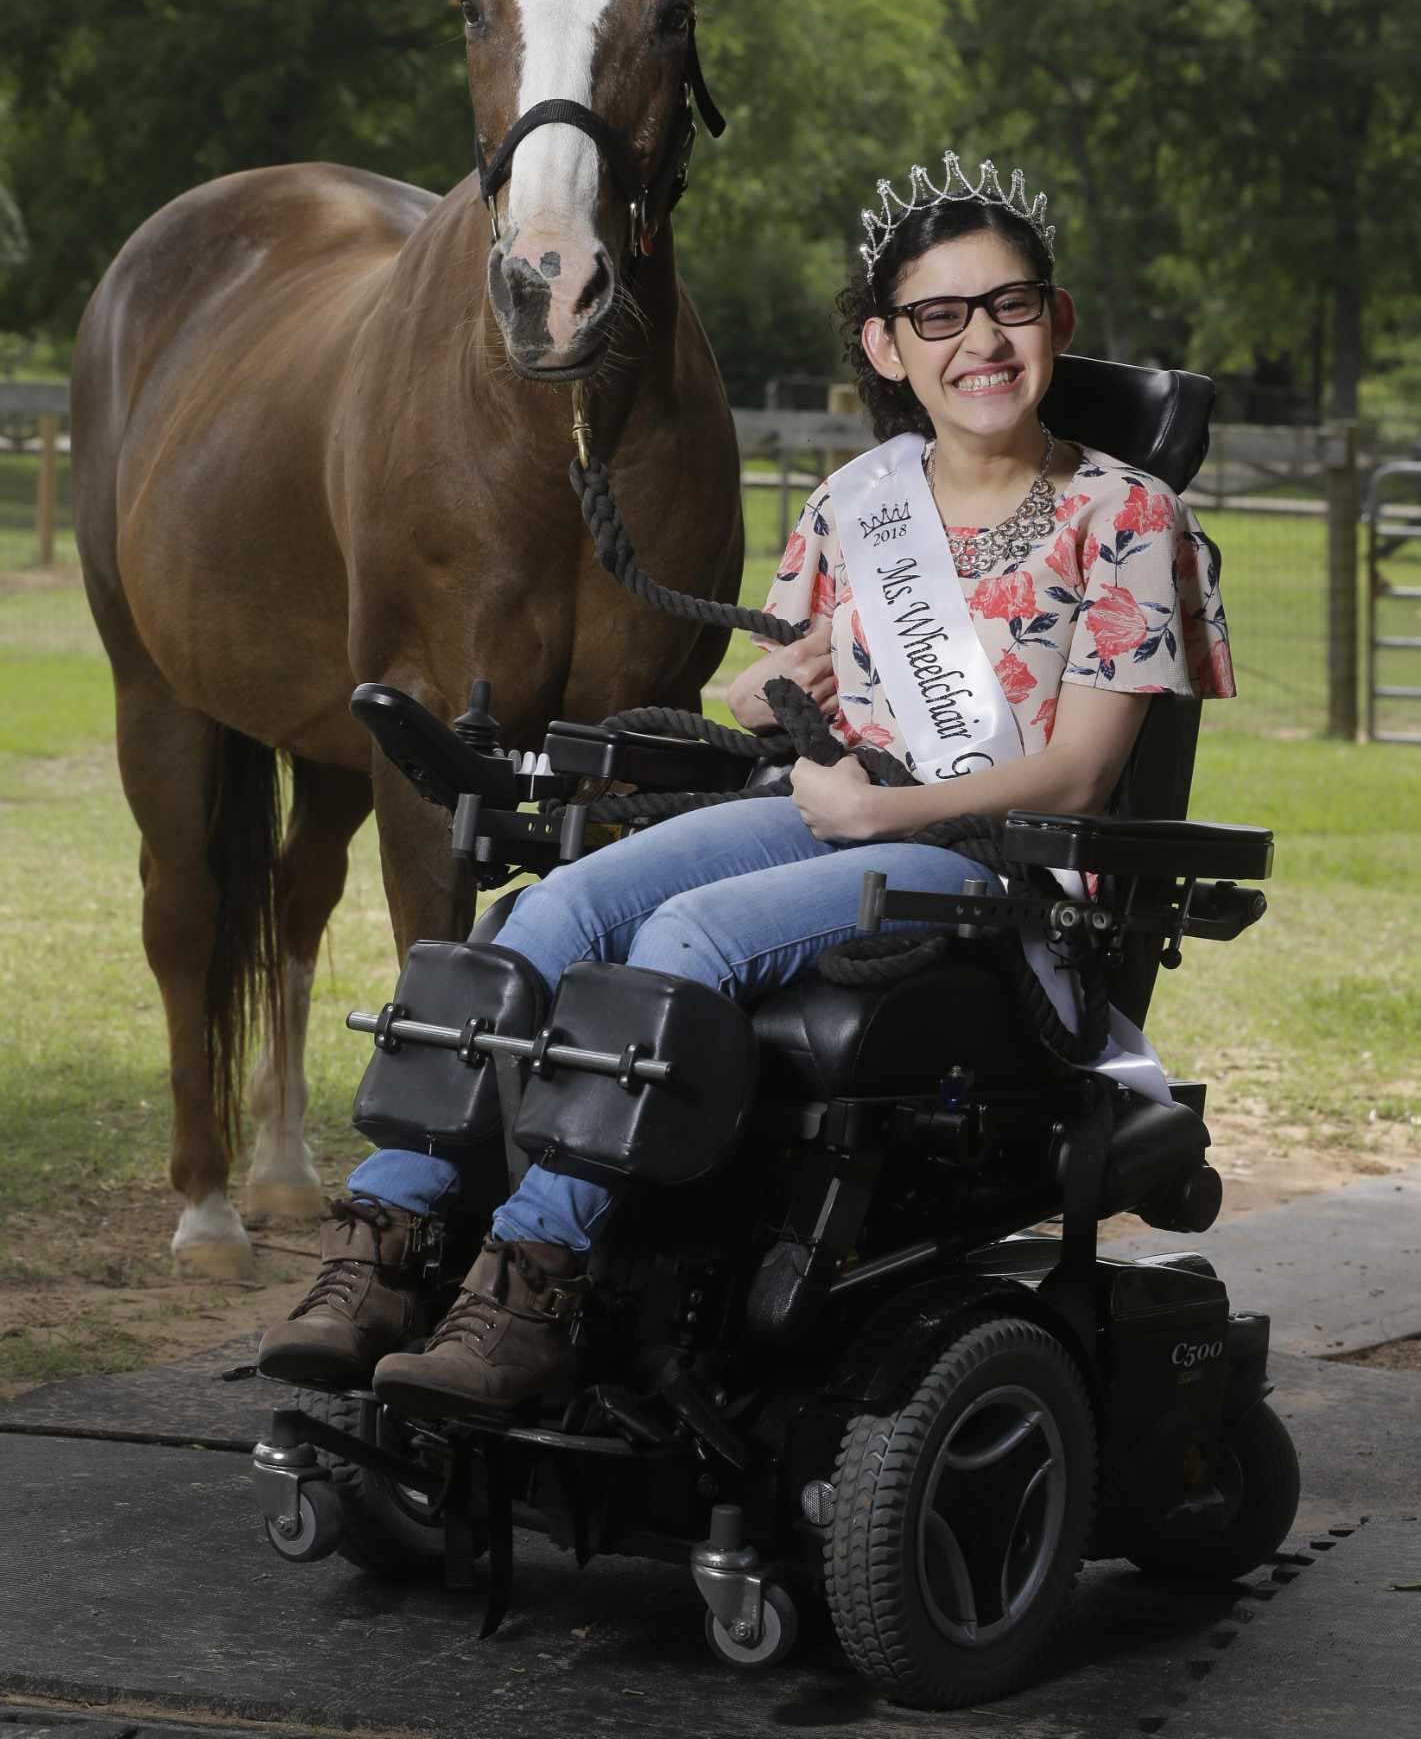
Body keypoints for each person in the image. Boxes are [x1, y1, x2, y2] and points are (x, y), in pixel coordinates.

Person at [257, 152, 1233, 1417]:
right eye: (938, 315)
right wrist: (772, 693)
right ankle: (382, 1244)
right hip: (827, 816)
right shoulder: (853, 504)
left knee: (682, 933)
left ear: (1055, 321)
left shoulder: (1124, 515)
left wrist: (879, 807)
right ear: (887, 349)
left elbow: (1085, 770)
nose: (978, 342)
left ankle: (534, 1279)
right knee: (549, 910)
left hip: (998, 870)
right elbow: (762, 698)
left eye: (1007, 305)